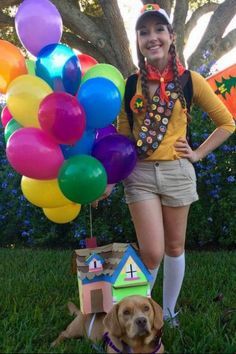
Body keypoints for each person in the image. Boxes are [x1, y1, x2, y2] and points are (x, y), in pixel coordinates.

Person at [94, 3, 235, 326]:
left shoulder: (189, 81)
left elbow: (226, 123)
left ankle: (168, 311)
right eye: (144, 32)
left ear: (172, 37)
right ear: (138, 41)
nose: (152, 37)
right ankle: (134, 315)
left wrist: (197, 153)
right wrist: (111, 179)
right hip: (140, 174)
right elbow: (125, 138)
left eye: (159, 30)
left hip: (177, 172)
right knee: (152, 251)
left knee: (174, 247)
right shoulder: (131, 84)